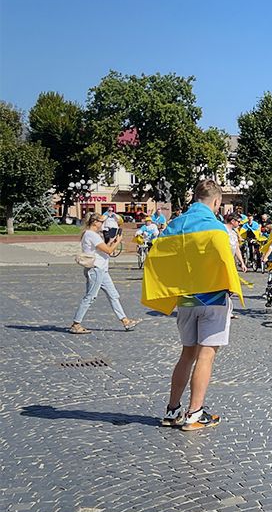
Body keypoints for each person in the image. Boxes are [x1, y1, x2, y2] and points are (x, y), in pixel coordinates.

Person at [142, 179, 243, 432]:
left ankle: (172, 410)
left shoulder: (174, 225)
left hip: (185, 299)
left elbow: (157, 256)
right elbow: (225, 260)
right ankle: (194, 413)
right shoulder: (217, 229)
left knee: (187, 354)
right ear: (217, 201)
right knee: (206, 355)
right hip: (213, 298)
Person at [70, 214, 140, 335]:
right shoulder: (91, 235)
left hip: (102, 269)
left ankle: (125, 321)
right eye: (101, 222)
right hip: (96, 269)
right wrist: (118, 241)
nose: (103, 224)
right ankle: (76, 324)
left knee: (113, 295)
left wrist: (112, 241)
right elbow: (109, 250)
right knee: (90, 297)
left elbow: (104, 249)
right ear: (95, 222)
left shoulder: (91, 234)